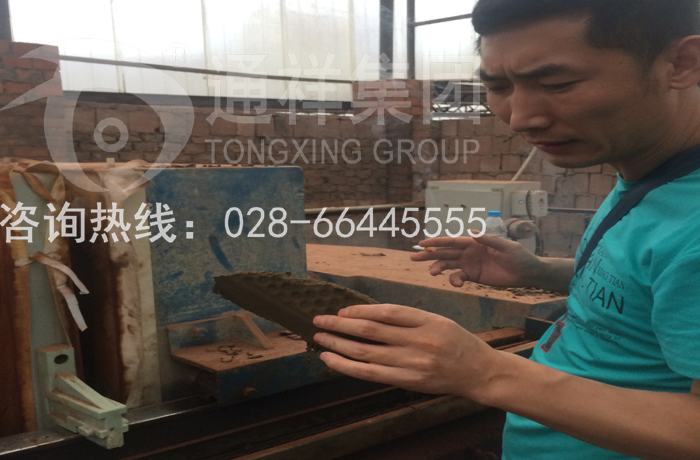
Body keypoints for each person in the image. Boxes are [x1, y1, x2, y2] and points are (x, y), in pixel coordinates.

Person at [311, 1, 700, 459]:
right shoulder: (651, 171)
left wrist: (487, 372)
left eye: (557, 84)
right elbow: (653, 288)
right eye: (498, 87)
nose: (520, 118)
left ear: (681, 64)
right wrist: (540, 271)